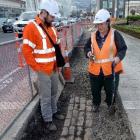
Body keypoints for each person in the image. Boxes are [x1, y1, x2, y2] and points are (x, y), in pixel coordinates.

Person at [22, 0, 64, 131]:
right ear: (43, 13)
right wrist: (38, 69)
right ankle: (47, 120)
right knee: (45, 97)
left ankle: (54, 112)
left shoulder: (51, 27)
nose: (53, 19)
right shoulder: (31, 27)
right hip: (42, 70)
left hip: (53, 68)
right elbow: (27, 52)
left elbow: (56, 46)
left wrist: (58, 64)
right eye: (52, 16)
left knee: (54, 92)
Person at [84, 9, 127, 112]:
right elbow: (86, 47)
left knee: (110, 90)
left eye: (102, 24)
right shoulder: (93, 35)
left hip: (111, 69)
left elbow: (123, 48)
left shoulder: (115, 34)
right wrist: (88, 53)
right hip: (95, 69)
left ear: (108, 22)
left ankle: (110, 105)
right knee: (95, 90)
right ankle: (96, 104)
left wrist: (118, 58)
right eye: (98, 24)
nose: (99, 27)